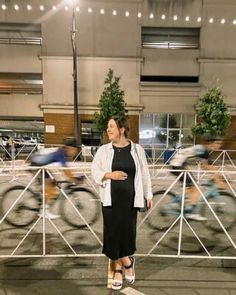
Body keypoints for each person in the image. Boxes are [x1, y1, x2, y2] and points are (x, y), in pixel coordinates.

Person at [91, 116, 153, 290]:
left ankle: (120, 265)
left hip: (130, 201)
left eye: (111, 127)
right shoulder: (104, 150)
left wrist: (148, 194)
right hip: (110, 200)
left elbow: (145, 172)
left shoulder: (137, 149)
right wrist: (110, 175)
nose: (108, 130)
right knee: (112, 234)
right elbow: (95, 170)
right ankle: (125, 264)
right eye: (108, 127)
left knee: (126, 233)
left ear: (122, 129)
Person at [169, 137, 224, 221]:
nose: (219, 146)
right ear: (210, 143)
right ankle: (191, 213)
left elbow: (208, 166)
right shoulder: (203, 150)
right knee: (195, 187)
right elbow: (206, 166)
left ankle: (179, 201)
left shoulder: (204, 150)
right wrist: (218, 179)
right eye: (217, 143)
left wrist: (216, 175)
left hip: (180, 164)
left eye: (220, 144)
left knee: (192, 186)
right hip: (177, 164)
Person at [30, 137, 79, 219]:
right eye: (75, 150)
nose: (75, 152)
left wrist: (72, 178)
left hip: (39, 165)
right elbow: (66, 171)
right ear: (70, 148)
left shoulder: (61, 152)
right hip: (36, 165)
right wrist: (75, 179)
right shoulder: (60, 153)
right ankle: (43, 211)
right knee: (51, 187)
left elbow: (65, 170)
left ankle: (42, 202)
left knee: (52, 184)